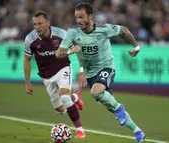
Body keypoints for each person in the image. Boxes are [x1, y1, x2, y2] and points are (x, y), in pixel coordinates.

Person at [56, 2, 146, 143]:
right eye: (76, 17)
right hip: (91, 74)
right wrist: (69, 51)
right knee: (110, 106)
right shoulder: (73, 32)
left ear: (90, 16)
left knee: (96, 92)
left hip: (106, 67)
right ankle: (138, 131)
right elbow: (58, 54)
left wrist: (136, 46)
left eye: (81, 17)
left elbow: (123, 30)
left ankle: (119, 108)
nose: (79, 21)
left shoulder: (103, 29)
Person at [23, 11, 85, 139]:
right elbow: (27, 59)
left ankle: (80, 130)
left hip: (62, 68)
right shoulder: (30, 39)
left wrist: (81, 70)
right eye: (34, 24)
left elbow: (77, 49)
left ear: (47, 23)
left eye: (39, 24)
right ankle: (75, 97)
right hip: (46, 76)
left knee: (64, 97)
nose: (37, 27)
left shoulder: (61, 34)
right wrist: (28, 82)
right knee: (61, 110)